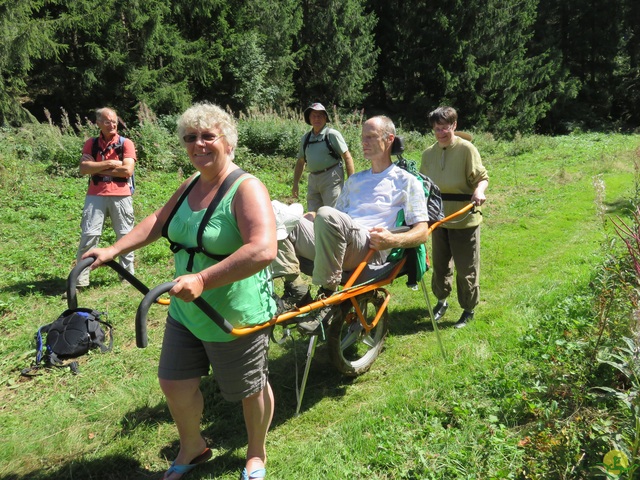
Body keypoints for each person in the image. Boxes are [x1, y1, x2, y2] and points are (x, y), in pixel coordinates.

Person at [83, 103, 276, 480]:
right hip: (186, 309)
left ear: (229, 141)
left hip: (233, 313)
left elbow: (263, 249)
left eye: (208, 136)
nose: (199, 144)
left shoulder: (245, 188)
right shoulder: (191, 183)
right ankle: (193, 446)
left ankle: (256, 452)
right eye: (191, 138)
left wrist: (204, 280)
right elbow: (157, 220)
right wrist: (113, 250)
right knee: (173, 382)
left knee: (249, 388)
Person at [276, 115, 430, 333]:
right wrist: (312, 217)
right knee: (278, 214)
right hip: (339, 242)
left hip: (368, 247)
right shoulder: (355, 180)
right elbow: (335, 217)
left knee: (326, 213)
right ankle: (296, 287)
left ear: (389, 139)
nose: (363, 142)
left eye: (370, 137)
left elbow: (423, 232)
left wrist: (393, 240)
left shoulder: (406, 181)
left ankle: (327, 298)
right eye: (362, 137)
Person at [420, 106, 489, 329]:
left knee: (466, 267)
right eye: (437, 128)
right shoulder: (428, 154)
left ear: (454, 126)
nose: (441, 132)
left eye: (445, 128)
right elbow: (422, 185)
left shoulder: (467, 149)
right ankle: (442, 301)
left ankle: (468, 309)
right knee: (440, 266)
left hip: (464, 219)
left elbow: (482, 177)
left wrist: (479, 191)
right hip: (438, 219)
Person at [74, 107, 136, 290]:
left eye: (115, 121)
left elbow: (127, 170)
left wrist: (96, 166)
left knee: (125, 236)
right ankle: (80, 281)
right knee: (89, 235)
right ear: (98, 123)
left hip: (121, 194)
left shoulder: (126, 144)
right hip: (96, 194)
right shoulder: (91, 143)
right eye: (108, 121)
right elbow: (84, 168)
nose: (113, 124)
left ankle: (127, 278)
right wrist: (110, 163)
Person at [292, 103, 355, 212]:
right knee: (313, 213)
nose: (317, 118)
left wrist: (351, 181)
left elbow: (347, 157)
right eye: (313, 116)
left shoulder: (332, 135)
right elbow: (301, 161)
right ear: (309, 119)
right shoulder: (306, 138)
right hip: (313, 179)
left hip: (331, 177)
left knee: (332, 212)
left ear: (325, 118)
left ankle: (335, 229)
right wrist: (295, 184)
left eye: (320, 116)